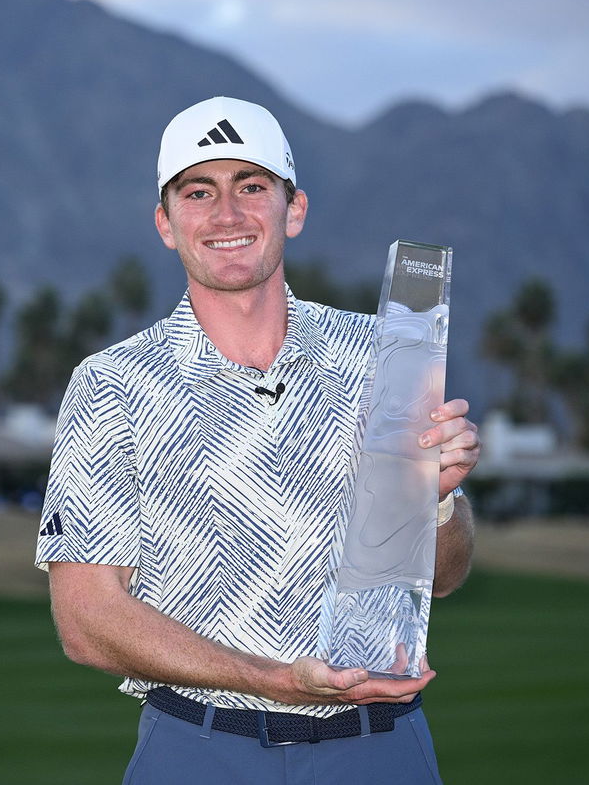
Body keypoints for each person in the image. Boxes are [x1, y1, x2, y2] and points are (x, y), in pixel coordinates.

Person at [36, 96, 480, 785]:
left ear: (292, 209)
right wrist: (273, 678)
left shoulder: (383, 356)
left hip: (376, 747)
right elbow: (87, 619)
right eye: (198, 191)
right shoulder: (112, 385)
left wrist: (438, 500)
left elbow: (446, 574)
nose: (227, 214)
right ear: (166, 223)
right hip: (198, 747)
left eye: (251, 186)